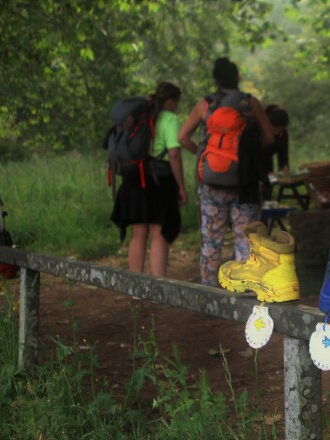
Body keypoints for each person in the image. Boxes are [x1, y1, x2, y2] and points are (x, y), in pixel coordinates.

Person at [178, 57, 274, 287]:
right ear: (237, 77)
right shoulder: (251, 104)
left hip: (211, 183)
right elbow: (270, 137)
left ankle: (209, 293)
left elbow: (182, 137)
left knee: (211, 241)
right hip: (245, 183)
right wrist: (248, 158)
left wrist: (204, 155)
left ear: (216, 80)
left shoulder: (205, 105)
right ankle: (243, 292)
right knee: (245, 239)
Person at [110, 81, 187, 277]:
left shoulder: (139, 115)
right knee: (158, 233)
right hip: (159, 181)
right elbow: (174, 154)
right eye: (176, 102)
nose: (176, 106)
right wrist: (181, 186)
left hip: (134, 178)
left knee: (138, 233)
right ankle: (159, 287)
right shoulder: (170, 118)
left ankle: (137, 287)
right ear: (170, 101)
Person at [262, 104, 290, 200]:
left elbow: (283, 155)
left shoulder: (283, 135)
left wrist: (284, 168)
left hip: (268, 163)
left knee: (271, 183)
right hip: (255, 164)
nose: (277, 133)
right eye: (275, 130)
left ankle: (269, 200)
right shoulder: (258, 131)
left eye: (280, 130)